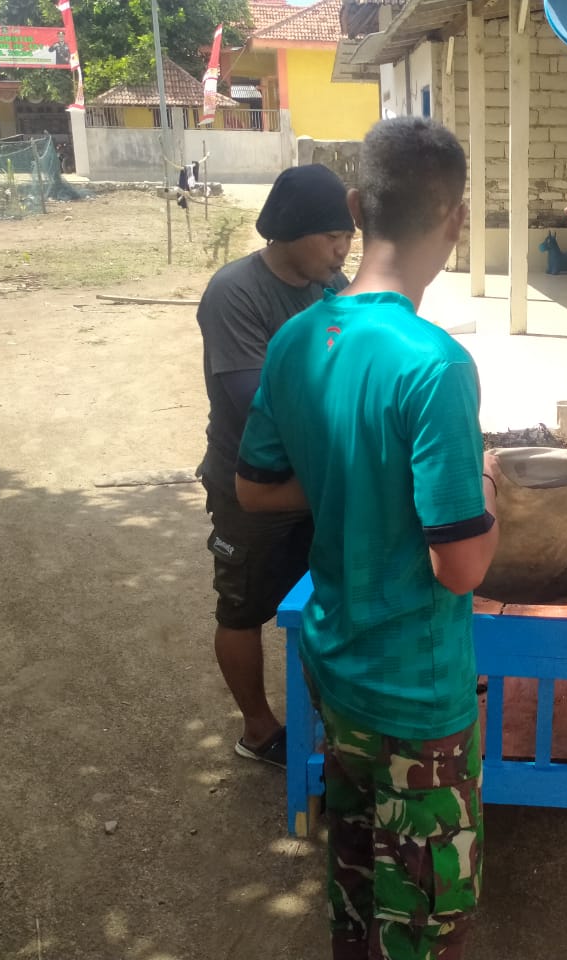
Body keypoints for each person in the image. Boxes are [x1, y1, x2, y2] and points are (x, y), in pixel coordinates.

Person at [235, 117, 498, 960]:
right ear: (455, 219)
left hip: (335, 672)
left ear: (356, 204)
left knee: (353, 896)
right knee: (428, 924)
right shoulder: (435, 365)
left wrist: (351, 473)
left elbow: (253, 486)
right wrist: (488, 484)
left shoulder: (296, 339)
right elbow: (460, 567)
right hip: (418, 703)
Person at [196, 163, 354, 768]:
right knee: (244, 608)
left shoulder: (331, 287)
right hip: (249, 485)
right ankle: (259, 729)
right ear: (288, 231)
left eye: (348, 236)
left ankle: (330, 712)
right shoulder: (234, 292)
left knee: (325, 597)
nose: (343, 250)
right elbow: (253, 401)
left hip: (320, 480)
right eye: (330, 236)